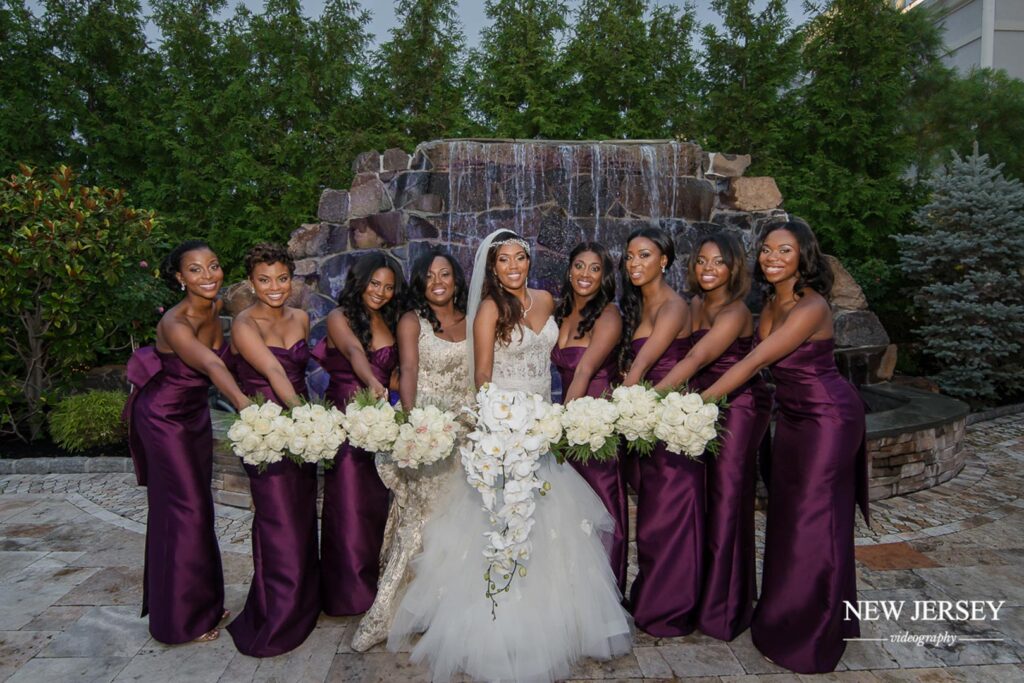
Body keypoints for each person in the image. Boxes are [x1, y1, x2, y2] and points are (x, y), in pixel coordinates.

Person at [389, 230, 632, 683]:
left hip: (544, 428)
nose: (514, 266)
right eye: (504, 260)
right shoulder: (488, 309)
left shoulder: (547, 300)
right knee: (501, 525)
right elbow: (482, 373)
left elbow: (582, 339)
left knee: (549, 526)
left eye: (520, 257)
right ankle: (498, 625)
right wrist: (500, 424)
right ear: (494, 268)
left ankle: (555, 620)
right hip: (505, 429)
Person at [701, 219, 868, 673]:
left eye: (785, 251)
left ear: (804, 257)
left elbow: (757, 360)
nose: (772, 258)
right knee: (787, 518)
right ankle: (783, 615)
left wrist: (697, 406)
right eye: (767, 250)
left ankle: (814, 632)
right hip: (792, 419)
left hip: (829, 418)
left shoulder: (811, 306)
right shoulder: (770, 299)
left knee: (817, 519)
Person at [123, 240, 250, 643]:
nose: (208, 275)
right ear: (180, 278)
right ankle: (180, 622)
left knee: (197, 508)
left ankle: (205, 604)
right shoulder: (175, 323)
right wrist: (249, 409)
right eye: (195, 270)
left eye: (213, 266)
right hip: (162, 418)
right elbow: (213, 364)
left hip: (193, 416)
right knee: (186, 509)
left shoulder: (214, 307)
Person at [652, 232, 772, 641]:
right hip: (700, 408)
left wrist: (651, 399)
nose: (707, 269)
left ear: (734, 268)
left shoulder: (737, 311)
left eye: (718, 262)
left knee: (726, 500)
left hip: (737, 406)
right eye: (702, 261)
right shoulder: (694, 304)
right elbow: (675, 351)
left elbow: (697, 356)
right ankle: (697, 595)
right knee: (700, 499)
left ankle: (725, 609)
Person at [351, 247, 472, 651]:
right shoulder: (411, 320)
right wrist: (413, 428)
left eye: (445, 274)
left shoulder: (474, 321)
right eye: (429, 276)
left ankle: (447, 609)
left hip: (467, 431)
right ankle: (387, 613)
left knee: (461, 520)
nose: (438, 282)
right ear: (420, 284)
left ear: (456, 280)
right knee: (418, 521)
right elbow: (410, 371)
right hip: (427, 430)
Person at [225, 243, 320, 656]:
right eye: (264, 280)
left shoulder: (302, 316)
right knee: (276, 520)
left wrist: (312, 425)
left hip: (301, 431)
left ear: (292, 278)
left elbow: (304, 371)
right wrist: (304, 417)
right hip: (265, 431)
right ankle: (277, 614)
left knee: (301, 517)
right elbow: (274, 370)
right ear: (251, 282)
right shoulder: (244, 323)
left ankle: (304, 604)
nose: (275, 287)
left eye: (282, 278)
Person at [619, 225, 702, 637]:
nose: (635, 263)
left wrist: (614, 406)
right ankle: (651, 595)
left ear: (664, 260)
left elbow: (641, 370)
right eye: (630, 256)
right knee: (652, 519)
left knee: (666, 518)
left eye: (645, 255)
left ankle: (670, 609)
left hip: (670, 427)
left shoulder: (672, 307)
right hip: (646, 424)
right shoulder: (639, 305)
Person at [312, 251, 404, 616]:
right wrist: (371, 382)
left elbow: (394, 374)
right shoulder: (339, 316)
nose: (380, 292)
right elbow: (353, 351)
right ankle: (347, 595)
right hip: (349, 421)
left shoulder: (389, 320)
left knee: (375, 508)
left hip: (381, 425)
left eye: (388, 287)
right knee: (348, 507)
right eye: (374, 283)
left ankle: (373, 584)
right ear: (360, 281)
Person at [551, 242, 628, 592]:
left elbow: (584, 370)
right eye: (579, 266)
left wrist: (559, 429)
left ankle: (605, 593)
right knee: (568, 511)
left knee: (601, 507)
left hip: (594, 424)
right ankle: (571, 593)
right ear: (569, 271)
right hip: (569, 413)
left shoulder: (609, 315)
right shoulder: (560, 312)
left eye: (594, 268)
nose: (585, 274)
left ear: (604, 276)